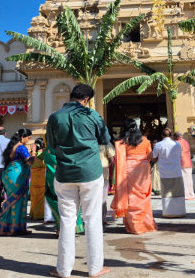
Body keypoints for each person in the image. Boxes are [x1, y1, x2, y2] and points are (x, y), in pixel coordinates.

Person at [47, 84, 111, 278]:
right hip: (90, 172)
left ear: (71, 96)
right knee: (92, 219)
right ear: (86, 100)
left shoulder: (55, 117)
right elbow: (105, 139)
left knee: (67, 220)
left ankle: (63, 270)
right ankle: (95, 268)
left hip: (64, 173)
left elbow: (51, 145)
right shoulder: (92, 115)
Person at [111, 118, 157, 234]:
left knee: (130, 196)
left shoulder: (122, 141)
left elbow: (117, 157)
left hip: (127, 169)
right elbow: (151, 156)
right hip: (142, 169)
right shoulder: (145, 140)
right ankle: (143, 224)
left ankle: (133, 225)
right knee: (142, 195)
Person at [0, 128, 34, 235]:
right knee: (18, 201)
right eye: (28, 138)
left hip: (9, 175)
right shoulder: (21, 147)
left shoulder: (12, 146)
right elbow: (29, 162)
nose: (29, 140)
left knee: (12, 201)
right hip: (17, 177)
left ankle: (6, 227)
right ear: (22, 137)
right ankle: (14, 229)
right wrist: (33, 152)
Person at [43, 142, 85, 234]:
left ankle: (62, 229)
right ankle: (73, 227)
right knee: (71, 200)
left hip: (57, 178)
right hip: (68, 175)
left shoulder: (51, 146)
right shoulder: (68, 143)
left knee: (59, 200)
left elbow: (47, 159)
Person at [152, 127, 186, 218]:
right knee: (178, 193)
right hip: (176, 171)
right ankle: (179, 212)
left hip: (165, 172)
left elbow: (154, 158)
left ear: (162, 135)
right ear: (171, 135)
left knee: (166, 193)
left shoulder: (158, 145)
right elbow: (180, 155)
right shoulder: (177, 144)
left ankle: (168, 212)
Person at [174, 132, 195, 200]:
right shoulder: (186, 142)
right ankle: (191, 194)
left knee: (183, 180)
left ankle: (186, 195)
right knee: (189, 179)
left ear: (176, 137)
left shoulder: (176, 143)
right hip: (188, 161)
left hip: (181, 162)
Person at [99, 140, 116, 224]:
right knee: (102, 198)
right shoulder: (105, 142)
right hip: (103, 172)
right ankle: (102, 219)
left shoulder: (86, 140)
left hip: (88, 174)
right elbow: (112, 158)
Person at [29, 138, 46, 220]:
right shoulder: (44, 154)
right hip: (43, 180)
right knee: (42, 198)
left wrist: (33, 151)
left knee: (34, 197)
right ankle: (41, 214)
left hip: (34, 180)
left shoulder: (31, 155)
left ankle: (34, 214)